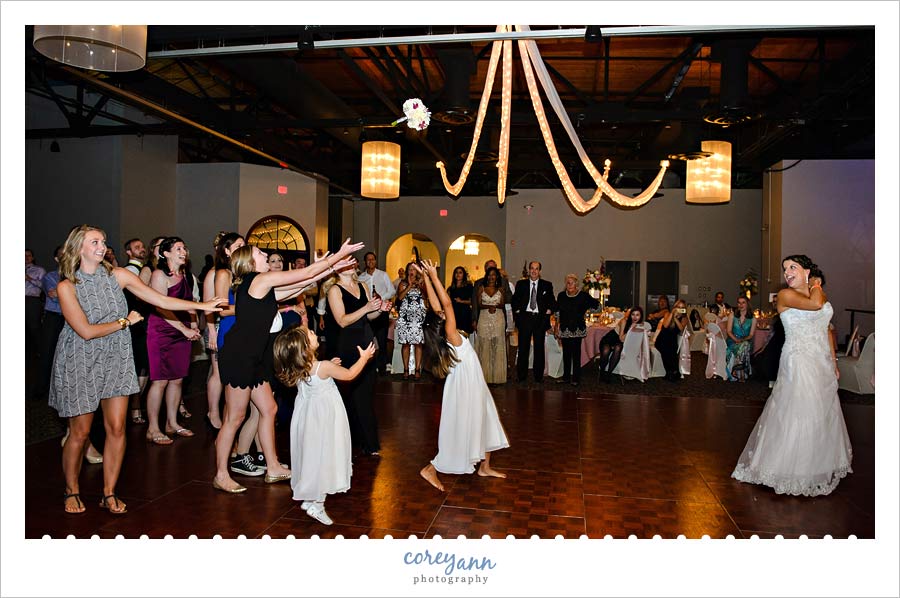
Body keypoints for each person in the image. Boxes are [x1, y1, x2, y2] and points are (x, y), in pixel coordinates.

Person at [49, 225, 222, 514]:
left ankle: (108, 492)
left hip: (116, 356)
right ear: (79, 248)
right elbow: (85, 331)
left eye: (103, 241)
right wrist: (124, 322)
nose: (102, 246)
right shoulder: (67, 286)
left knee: (117, 427)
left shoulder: (118, 276)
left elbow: (161, 300)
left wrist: (203, 305)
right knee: (80, 432)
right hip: (80, 359)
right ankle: (71, 489)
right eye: (94, 242)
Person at [213, 239, 362, 493]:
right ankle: (221, 474)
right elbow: (306, 273)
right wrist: (336, 257)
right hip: (239, 356)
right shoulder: (257, 280)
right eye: (260, 253)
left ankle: (272, 466)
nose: (264, 255)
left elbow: (300, 285)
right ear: (250, 262)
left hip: (256, 358)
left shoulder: (262, 286)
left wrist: (332, 269)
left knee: (268, 408)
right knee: (235, 417)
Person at [732, 255, 852, 496]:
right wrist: (816, 284)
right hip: (798, 359)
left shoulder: (816, 292)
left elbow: (827, 329)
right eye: (785, 268)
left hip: (821, 361)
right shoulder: (786, 296)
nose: (787, 272)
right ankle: (791, 468)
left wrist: (833, 360)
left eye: (792, 267)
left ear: (806, 270)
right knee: (799, 409)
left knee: (820, 410)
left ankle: (817, 464)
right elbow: (817, 305)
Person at [414, 259, 509, 492]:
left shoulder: (442, 330)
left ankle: (484, 466)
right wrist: (435, 277)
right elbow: (446, 304)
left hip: (470, 379)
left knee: (486, 417)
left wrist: (426, 277)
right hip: (467, 383)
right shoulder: (451, 333)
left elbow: (437, 305)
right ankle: (431, 468)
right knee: (464, 424)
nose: (443, 311)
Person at [273, 326, 376, 525]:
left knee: (312, 456)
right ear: (305, 348)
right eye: (309, 334)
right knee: (325, 457)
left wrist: (329, 365)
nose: (312, 331)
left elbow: (320, 372)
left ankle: (309, 497)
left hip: (310, 419)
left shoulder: (301, 367)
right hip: (326, 419)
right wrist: (364, 358)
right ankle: (317, 504)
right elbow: (348, 375)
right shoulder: (323, 367)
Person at [327, 258, 391, 456]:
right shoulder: (334, 290)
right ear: (336, 268)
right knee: (351, 395)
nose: (348, 266)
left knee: (365, 393)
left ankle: (368, 442)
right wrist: (366, 308)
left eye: (350, 263)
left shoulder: (363, 285)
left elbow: (367, 317)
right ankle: (356, 442)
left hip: (366, 341)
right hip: (348, 344)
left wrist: (379, 310)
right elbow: (342, 320)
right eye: (343, 263)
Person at [144, 237, 200, 445]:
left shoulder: (184, 274)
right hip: (162, 331)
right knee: (160, 380)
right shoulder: (159, 275)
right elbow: (161, 307)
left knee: (177, 379)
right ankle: (152, 427)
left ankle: (172, 422)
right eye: (178, 248)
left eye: (184, 248)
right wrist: (184, 328)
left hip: (182, 331)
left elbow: (188, 304)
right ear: (165, 253)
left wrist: (193, 325)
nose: (183, 251)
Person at [511, 261, 556, 383]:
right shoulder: (521, 284)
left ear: (540, 271)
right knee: (523, 348)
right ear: (529, 270)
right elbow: (514, 300)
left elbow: (552, 301)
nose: (534, 271)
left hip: (540, 320)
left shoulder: (547, 285)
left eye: (536, 269)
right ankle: (521, 376)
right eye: (532, 268)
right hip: (525, 319)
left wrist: (549, 310)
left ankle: (538, 376)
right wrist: (518, 312)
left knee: (539, 349)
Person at [122, 238, 150, 424]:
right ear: (128, 252)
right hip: (133, 325)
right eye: (136, 247)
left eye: (142, 246)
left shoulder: (146, 270)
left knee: (145, 368)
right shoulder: (128, 272)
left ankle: (136, 405)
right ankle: (132, 408)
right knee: (135, 367)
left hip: (145, 323)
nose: (141, 249)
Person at [553, 273, 599, 386]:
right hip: (564, 328)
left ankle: (576, 379)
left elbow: (597, 306)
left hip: (577, 329)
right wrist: (556, 327)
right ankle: (566, 377)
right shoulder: (561, 295)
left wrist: (587, 313)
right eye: (567, 282)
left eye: (572, 282)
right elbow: (557, 313)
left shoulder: (583, 296)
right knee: (566, 354)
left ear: (576, 284)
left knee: (576, 354)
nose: (569, 284)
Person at [358, 251, 397, 375]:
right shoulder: (361, 277)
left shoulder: (383, 275)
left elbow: (391, 291)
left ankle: (382, 367)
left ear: (375, 261)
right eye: (368, 260)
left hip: (382, 311)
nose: (371, 261)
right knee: (368, 340)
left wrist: (381, 298)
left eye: (373, 259)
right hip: (367, 312)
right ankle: (369, 366)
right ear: (365, 262)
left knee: (382, 340)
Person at [474, 266, 507, 384]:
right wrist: (489, 307)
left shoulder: (501, 289)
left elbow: (503, 305)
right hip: (484, 318)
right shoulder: (481, 288)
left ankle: (496, 377)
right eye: (490, 274)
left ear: (497, 276)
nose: (491, 277)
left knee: (497, 346)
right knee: (484, 346)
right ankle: (484, 377)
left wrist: (495, 307)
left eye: (494, 275)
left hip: (498, 318)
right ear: (486, 276)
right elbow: (479, 304)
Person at [394, 262, 427, 380]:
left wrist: (420, 285)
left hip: (418, 317)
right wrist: (409, 286)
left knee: (418, 343)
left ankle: (417, 369)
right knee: (405, 343)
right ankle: (406, 369)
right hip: (405, 317)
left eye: (414, 269)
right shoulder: (402, 283)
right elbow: (400, 298)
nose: (412, 271)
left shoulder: (422, 283)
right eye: (410, 269)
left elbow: (426, 297)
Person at [653, 299, 690, 381]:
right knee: (665, 350)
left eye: (682, 307)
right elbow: (665, 326)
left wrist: (676, 318)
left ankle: (672, 372)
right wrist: (672, 314)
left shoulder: (684, 318)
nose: (680, 309)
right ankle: (671, 371)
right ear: (675, 307)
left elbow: (681, 329)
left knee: (672, 351)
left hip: (672, 340)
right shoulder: (667, 314)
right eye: (678, 307)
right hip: (662, 339)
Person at [725, 295, 757, 382]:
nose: (741, 305)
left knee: (745, 345)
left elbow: (751, 335)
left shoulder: (753, 318)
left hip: (745, 340)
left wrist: (742, 340)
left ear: (747, 304)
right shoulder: (732, 315)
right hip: (732, 340)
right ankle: (741, 373)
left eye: (743, 303)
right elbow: (728, 331)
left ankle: (737, 370)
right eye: (739, 303)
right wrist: (736, 340)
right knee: (744, 347)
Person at [25, 248, 46, 359]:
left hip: (31, 300)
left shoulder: (39, 270)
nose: (26, 257)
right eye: (23, 255)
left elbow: (43, 286)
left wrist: (29, 278)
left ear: (33, 257)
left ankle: (40, 351)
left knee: (34, 328)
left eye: (28, 255)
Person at [447, 266, 474, 334]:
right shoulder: (451, 288)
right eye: (456, 272)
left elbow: (472, 301)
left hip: (464, 314)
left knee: (464, 335)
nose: (458, 274)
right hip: (453, 314)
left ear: (463, 274)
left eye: (460, 272)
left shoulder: (468, 287)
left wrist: (461, 301)